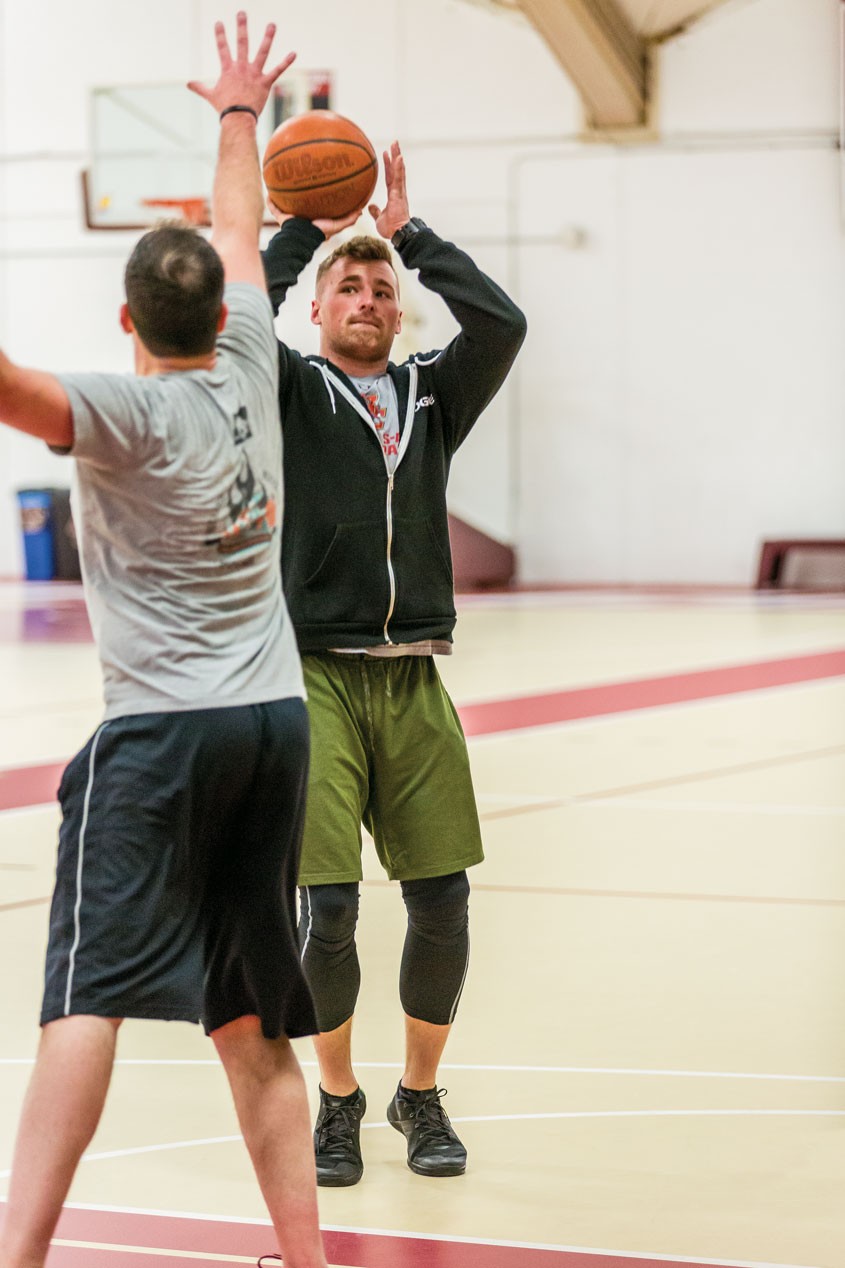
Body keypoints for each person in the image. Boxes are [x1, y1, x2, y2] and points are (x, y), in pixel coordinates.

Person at [0, 15, 327, 1268]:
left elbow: (18, 388)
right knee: (250, 1016)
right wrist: (242, 111)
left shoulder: (122, 410)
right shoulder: (250, 354)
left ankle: (21, 1251)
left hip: (160, 738)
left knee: (84, 993)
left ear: (125, 315)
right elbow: (241, 228)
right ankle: (304, 1256)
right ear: (211, 305)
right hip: (272, 724)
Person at [261, 141, 527, 1186]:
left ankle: (420, 1092)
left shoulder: (432, 394)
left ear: (399, 308)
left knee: (442, 898)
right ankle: (338, 1098)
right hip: (313, 675)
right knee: (324, 908)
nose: (367, 297)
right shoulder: (286, 387)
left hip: (413, 673)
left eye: (382, 287)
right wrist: (307, 229)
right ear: (319, 309)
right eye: (349, 285)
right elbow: (243, 312)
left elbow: (501, 323)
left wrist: (409, 234)